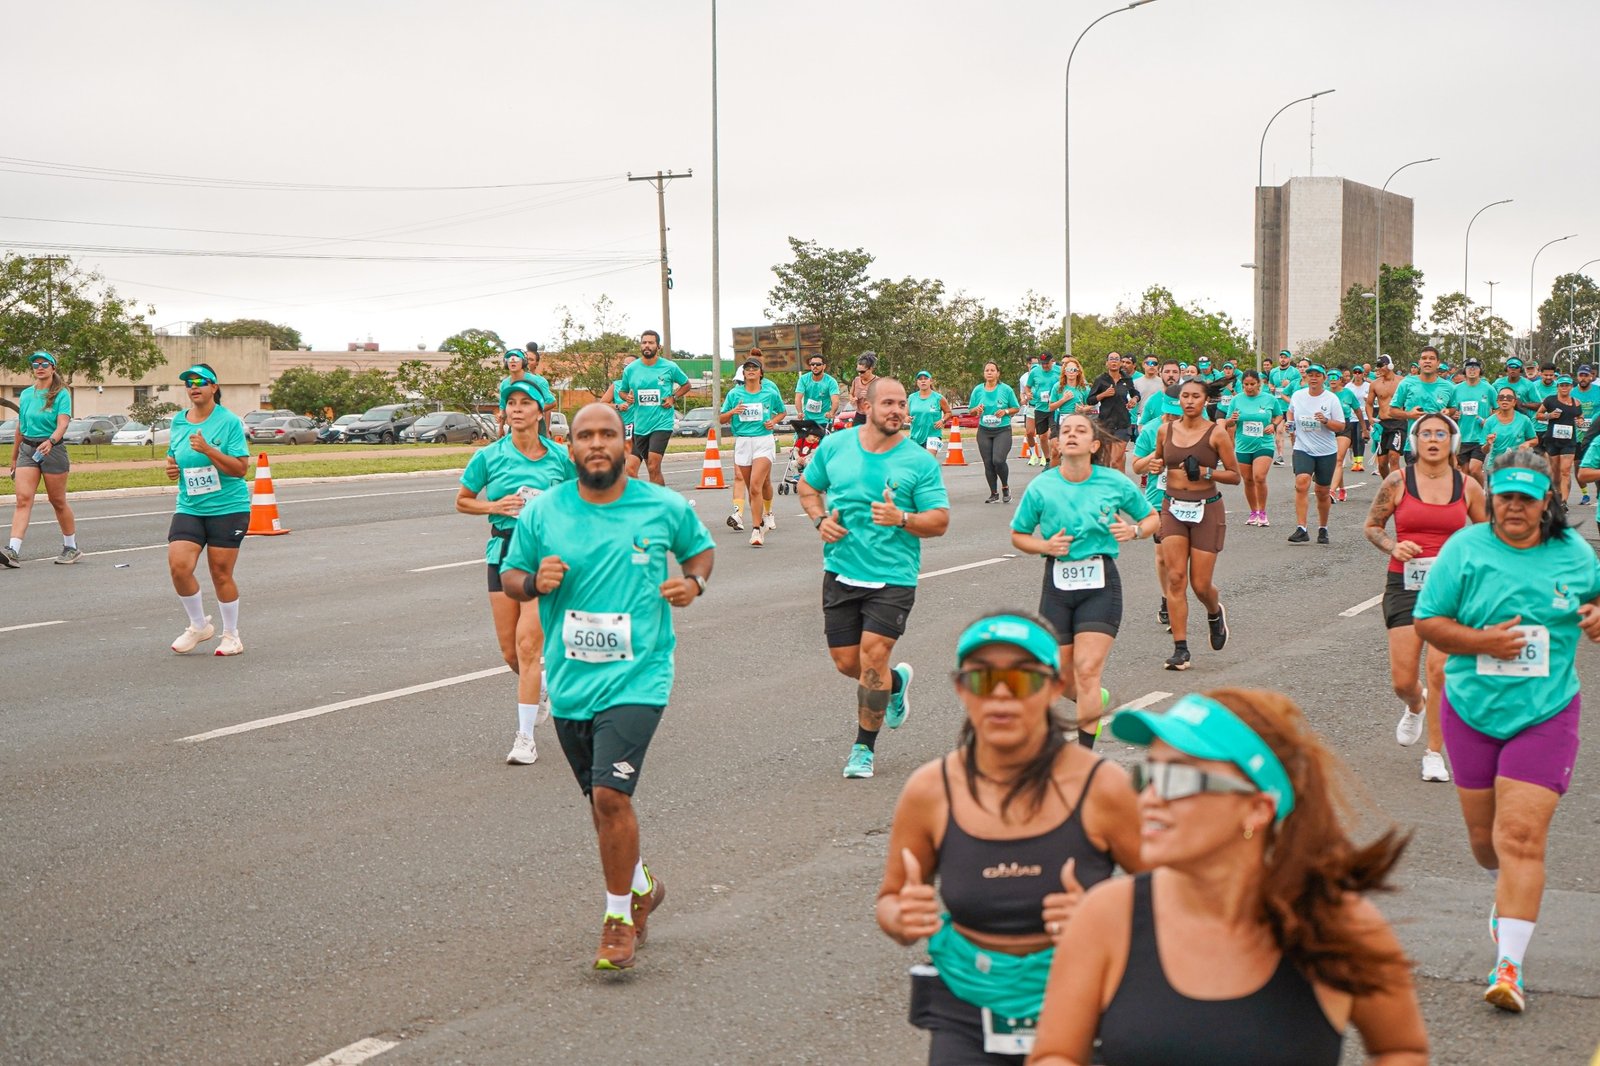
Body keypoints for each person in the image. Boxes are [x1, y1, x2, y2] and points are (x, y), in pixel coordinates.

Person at [1028, 689, 1428, 1065]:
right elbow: (1056, 1054)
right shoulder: (1107, 915)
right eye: (1147, 776)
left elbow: (1400, 1047)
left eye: (1179, 780)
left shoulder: (1342, 925)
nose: (1149, 798)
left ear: (1257, 809)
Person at [499, 404, 714, 971]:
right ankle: (641, 884)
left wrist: (693, 582)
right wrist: (531, 581)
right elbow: (510, 574)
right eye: (584, 435)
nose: (597, 443)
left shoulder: (662, 505)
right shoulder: (544, 512)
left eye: (608, 434)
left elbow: (701, 550)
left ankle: (618, 917)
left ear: (625, 443)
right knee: (600, 804)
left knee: (611, 796)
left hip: (640, 674)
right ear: (569, 447)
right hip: (570, 681)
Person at [876, 611, 1143, 1065]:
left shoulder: (1101, 787)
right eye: (983, 680)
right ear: (962, 689)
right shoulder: (931, 791)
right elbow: (891, 898)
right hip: (966, 1002)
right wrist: (901, 916)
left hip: (1085, 996)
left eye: (1021, 680)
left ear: (1055, 686)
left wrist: (1106, 916)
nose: (1001, 696)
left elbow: (1176, 897)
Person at [1413, 450, 1600, 1013]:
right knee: (1485, 844)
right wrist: (1483, 643)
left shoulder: (1576, 556)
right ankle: (1506, 894)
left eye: (1526, 497)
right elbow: (1429, 623)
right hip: (1471, 711)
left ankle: (1509, 967)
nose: (1513, 507)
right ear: (1490, 496)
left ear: (1548, 501)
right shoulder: (1465, 550)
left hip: (1546, 713)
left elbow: (1595, 606)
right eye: (1505, 496)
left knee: (1520, 837)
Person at [799, 377, 950, 780]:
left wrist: (902, 518)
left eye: (902, 404)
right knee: (847, 662)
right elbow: (808, 487)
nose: (898, 410)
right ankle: (896, 683)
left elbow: (939, 521)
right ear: (865, 405)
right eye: (888, 403)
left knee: (873, 657)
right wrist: (818, 520)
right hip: (841, 569)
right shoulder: (835, 446)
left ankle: (863, 748)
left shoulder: (919, 461)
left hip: (893, 575)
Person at [1011, 414, 1159, 749]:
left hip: (1100, 583)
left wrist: (1134, 531)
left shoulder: (1113, 482)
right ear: (1058, 443)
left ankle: (1084, 755)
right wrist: (1045, 546)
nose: (1072, 435)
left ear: (1094, 445)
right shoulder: (1043, 486)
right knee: (1060, 678)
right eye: (1066, 431)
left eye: (1080, 431)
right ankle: (1094, 698)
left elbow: (1151, 518)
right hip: (1057, 584)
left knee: (1087, 671)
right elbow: (1019, 535)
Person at [1363, 412, 1486, 783]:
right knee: (1403, 680)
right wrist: (1393, 546)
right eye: (1427, 433)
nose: (1434, 439)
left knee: (1440, 670)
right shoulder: (1397, 481)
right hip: (1405, 584)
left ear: (1452, 441)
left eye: (1441, 433)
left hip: (1452, 590)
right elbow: (1371, 526)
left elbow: (1488, 534)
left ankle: (1434, 752)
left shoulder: (1468, 487)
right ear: (1416, 441)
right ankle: (1415, 705)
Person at [456, 382, 576, 764]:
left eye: (527, 404)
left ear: (541, 413)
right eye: (512, 403)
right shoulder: (488, 457)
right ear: (505, 413)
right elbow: (462, 501)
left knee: (528, 647)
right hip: (503, 552)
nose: (518, 409)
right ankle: (540, 686)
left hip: (544, 557)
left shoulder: (559, 457)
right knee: (510, 652)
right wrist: (494, 506)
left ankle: (525, 739)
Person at [164, 364, 252, 656]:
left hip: (228, 507)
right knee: (179, 567)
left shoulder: (228, 422)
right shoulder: (178, 421)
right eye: (188, 382)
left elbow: (240, 469)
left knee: (220, 572)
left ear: (214, 387)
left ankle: (232, 635)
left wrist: (209, 451)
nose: (193, 386)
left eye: (201, 381)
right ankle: (199, 625)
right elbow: (173, 455)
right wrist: (172, 467)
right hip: (190, 505)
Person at [1153, 378, 1240, 670]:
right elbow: (1156, 462)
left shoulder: (1217, 434)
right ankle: (1181, 649)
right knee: (1176, 578)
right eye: (1185, 396)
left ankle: (1215, 613)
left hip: (1207, 510)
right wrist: (1151, 465)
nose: (1189, 401)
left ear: (1205, 401)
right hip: (1173, 509)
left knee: (1200, 585)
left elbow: (1234, 475)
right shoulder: (1165, 430)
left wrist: (1206, 472)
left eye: (1195, 397)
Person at [2, 351, 78, 568]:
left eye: (45, 363)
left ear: (53, 367)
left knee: (58, 501)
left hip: (52, 450)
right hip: (28, 449)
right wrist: (14, 457)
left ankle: (71, 546)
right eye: (35, 364)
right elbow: (20, 427)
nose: (40, 367)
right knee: (22, 500)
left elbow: (63, 423)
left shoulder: (61, 394)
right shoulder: (26, 394)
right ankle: (13, 551)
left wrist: (51, 441)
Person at [719, 358, 787, 547]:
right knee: (751, 486)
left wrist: (773, 422)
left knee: (756, 485)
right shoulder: (734, 394)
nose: (750, 370)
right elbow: (721, 418)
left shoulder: (770, 393)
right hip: (742, 441)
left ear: (760, 373)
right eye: (747, 368)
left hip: (763, 441)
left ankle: (756, 530)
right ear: (743, 373)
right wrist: (733, 411)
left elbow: (781, 412)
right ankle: (760, 519)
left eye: (754, 368)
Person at [1130, 393, 1177, 631]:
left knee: (1181, 558)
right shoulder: (1151, 430)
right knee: (1162, 556)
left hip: (1189, 500)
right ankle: (1167, 599)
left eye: (1178, 415)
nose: (1173, 419)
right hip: (1159, 500)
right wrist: (1155, 456)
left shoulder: (1197, 428)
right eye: (1170, 414)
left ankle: (1177, 597)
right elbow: (1137, 466)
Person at [618, 330, 690, 485]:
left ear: (658, 346)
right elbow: (622, 391)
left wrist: (673, 397)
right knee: (629, 470)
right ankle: (644, 502)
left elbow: (686, 384)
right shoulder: (631, 369)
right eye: (644, 342)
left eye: (651, 343)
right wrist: (627, 397)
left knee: (653, 465)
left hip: (661, 423)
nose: (647, 346)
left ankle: (659, 505)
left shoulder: (669, 367)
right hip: (639, 426)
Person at [1286, 364, 1346, 545]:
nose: (1313, 378)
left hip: (1326, 451)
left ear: (1324, 378)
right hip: (1303, 448)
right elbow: (1291, 411)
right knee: (1302, 482)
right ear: (1306, 378)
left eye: (1317, 375)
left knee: (1322, 492)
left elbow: (1341, 426)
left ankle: (1323, 527)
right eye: (1310, 375)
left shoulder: (1331, 399)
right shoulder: (1298, 396)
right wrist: (1290, 424)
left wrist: (1326, 420)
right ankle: (1301, 528)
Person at [1221, 370, 1280, 527]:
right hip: (1243, 445)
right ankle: (1253, 511)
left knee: (1259, 477)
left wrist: (1273, 425)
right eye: (1246, 384)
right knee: (1247, 480)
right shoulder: (1237, 400)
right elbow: (1229, 422)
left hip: (1264, 443)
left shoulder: (1269, 399)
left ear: (1259, 384)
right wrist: (1231, 420)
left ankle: (1263, 512)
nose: (1249, 387)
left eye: (1252, 384)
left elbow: (1279, 415)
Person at [968, 362, 1021, 504]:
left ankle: (1005, 486)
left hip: (1002, 430)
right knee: (988, 463)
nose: (989, 372)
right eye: (987, 370)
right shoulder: (978, 390)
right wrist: (976, 410)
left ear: (998, 373)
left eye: (992, 370)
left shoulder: (1006, 389)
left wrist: (1006, 411)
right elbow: (971, 410)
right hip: (984, 430)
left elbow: (1016, 407)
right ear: (984, 373)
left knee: (998, 460)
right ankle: (994, 493)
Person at [1448, 357, 1497, 485]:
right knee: (1465, 472)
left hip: (1480, 437)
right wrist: (1454, 415)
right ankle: (1468, 498)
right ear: (1464, 370)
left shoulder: (1489, 389)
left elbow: (1498, 410)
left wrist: (1489, 421)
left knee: (1474, 469)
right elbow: (1451, 409)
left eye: (1475, 367)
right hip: (1462, 436)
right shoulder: (1456, 389)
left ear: (1480, 370)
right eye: (1469, 367)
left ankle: (1482, 492)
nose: (1472, 370)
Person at [1535, 374, 1581, 502]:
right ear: (1558, 387)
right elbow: (1538, 415)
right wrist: (1549, 416)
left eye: (1567, 385)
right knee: (1555, 474)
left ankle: (1564, 501)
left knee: (1565, 471)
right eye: (1562, 385)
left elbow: (1580, 416)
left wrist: (1580, 421)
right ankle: (1558, 495)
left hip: (1569, 441)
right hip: (1552, 440)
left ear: (1571, 387)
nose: (1564, 387)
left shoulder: (1576, 402)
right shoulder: (1550, 400)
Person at [1088, 354, 1136, 472]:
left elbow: (1135, 393)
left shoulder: (1127, 379)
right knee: (1109, 462)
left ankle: (1119, 487)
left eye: (1116, 360)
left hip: (1123, 424)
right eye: (1111, 359)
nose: (1114, 362)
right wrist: (1103, 394)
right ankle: (1118, 485)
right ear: (1107, 363)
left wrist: (1134, 400)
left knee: (1115, 460)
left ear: (1120, 363)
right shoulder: (1101, 380)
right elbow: (1090, 400)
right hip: (1106, 424)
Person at [1326, 368, 1361, 504]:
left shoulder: (1347, 393)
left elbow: (1357, 410)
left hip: (1345, 426)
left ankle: (1331, 491)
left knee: (1338, 459)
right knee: (1334, 461)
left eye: (1335, 377)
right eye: (1330, 377)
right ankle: (1341, 488)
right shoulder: (1324, 393)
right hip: (1328, 426)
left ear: (1341, 379)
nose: (1333, 380)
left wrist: (1364, 429)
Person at [1369, 355, 1407, 479]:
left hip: (1398, 423)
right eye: (1377, 366)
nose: (1378, 369)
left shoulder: (1402, 381)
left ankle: (1396, 490)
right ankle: (1388, 485)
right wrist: (1370, 418)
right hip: (1382, 423)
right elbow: (1369, 404)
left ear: (1389, 365)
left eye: (1381, 365)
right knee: (1382, 464)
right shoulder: (1375, 384)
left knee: (1393, 457)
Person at [1483, 387, 1539, 463]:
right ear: (1498, 401)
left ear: (1514, 402)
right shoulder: (1489, 421)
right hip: (1495, 466)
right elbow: (1484, 450)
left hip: (1517, 465)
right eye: (1501, 397)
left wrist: (1527, 443)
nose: (1505, 400)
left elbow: (1535, 440)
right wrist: (1488, 444)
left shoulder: (1524, 420)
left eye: (1509, 398)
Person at [1022, 351, 1059, 467]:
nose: (1045, 366)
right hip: (1040, 408)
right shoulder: (1035, 372)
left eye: (1047, 363)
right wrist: (1028, 394)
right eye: (1042, 363)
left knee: (1053, 436)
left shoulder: (1059, 371)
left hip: (1054, 408)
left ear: (1052, 361)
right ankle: (1047, 460)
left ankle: (1057, 460)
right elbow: (1027, 387)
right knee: (1042, 436)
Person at [1570, 365, 1600, 503]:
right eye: (1581, 375)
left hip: (1595, 433)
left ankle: (1598, 493)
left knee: (1595, 465)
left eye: (1586, 375)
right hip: (1577, 434)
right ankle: (1585, 494)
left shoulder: (1598, 391)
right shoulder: (1572, 393)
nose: (1583, 378)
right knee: (1578, 466)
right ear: (1577, 377)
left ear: (1591, 377)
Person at [1267, 350, 1302, 466]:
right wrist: (1271, 388)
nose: (1283, 359)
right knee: (1279, 431)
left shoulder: (1295, 372)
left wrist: (1290, 383)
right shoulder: (1273, 371)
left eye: (1285, 357)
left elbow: (1298, 385)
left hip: (1290, 407)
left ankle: (1296, 454)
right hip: (1278, 405)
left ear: (1289, 359)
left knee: (1292, 432)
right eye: (1281, 357)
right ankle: (1280, 456)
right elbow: (1270, 383)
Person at [795, 353, 842, 434]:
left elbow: (835, 401)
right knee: (803, 443)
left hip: (824, 419)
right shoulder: (803, 379)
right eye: (812, 364)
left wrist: (831, 413)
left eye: (818, 364)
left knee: (822, 443)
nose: (815, 366)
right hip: (808, 419)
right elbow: (798, 398)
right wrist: (800, 412)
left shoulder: (831, 381)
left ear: (824, 366)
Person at [908, 371, 953, 453]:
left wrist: (942, 421)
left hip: (933, 435)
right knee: (917, 463)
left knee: (929, 460)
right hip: (915, 436)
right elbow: (904, 413)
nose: (923, 381)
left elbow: (948, 412)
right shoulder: (911, 398)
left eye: (926, 378)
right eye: (920, 379)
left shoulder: (938, 398)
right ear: (917, 382)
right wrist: (906, 418)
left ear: (930, 381)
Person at [1346, 364, 1372, 472]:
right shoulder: (1348, 386)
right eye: (1355, 372)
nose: (1357, 375)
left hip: (1364, 415)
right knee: (1353, 438)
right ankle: (1355, 460)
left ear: (1363, 374)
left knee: (1360, 437)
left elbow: (1372, 400)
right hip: (1352, 415)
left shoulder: (1368, 386)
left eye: (1359, 372)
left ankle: (1359, 462)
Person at [850, 352, 879, 426]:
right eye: (858, 371)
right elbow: (851, 394)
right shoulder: (856, 380)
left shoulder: (878, 382)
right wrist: (852, 399)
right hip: (859, 415)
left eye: (862, 372)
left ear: (871, 369)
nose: (859, 374)